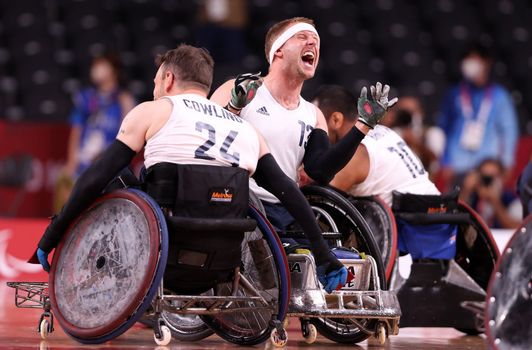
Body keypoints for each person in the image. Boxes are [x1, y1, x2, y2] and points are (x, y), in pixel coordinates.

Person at [31, 44, 348, 293]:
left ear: (168, 79)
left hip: (164, 246)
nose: (155, 87)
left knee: (110, 173)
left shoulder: (153, 110)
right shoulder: (247, 131)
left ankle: (103, 268)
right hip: (223, 253)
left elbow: (94, 178)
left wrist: (52, 234)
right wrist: (323, 253)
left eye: (157, 81)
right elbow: (290, 193)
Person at [210, 17, 397, 234]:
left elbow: (320, 171)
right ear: (278, 51)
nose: (313, 44)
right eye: (302, 37)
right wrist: (232, 108)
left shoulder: (313, 114)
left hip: (287, 210)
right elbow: (208, 142)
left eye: (316, 40)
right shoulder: (238, 89)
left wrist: (363, 126)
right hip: (239, 205)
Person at [312, 85, 440, 207]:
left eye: (316, 122)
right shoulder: (382, 130)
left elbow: (318, 200)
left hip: (414, 224)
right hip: (439, 213)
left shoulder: (356, 152)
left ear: (336, 120)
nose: (312, 129)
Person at [55, 53, 135, 211]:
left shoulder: (124, 100)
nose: (96, 70)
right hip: (83, 162)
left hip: (110, 163)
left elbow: (130, 132)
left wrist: (127, 106)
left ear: (114, 71)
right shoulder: (85, 97)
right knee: (67, 199)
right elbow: (76, 129)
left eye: (102, 65)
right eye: (95, 66)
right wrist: (72, 161)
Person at [438, 43, 518, 191]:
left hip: (488, 165)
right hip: (458, 165)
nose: (470, 63)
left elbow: (509, 131)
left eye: (474, 59)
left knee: (487, 209)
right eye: (467, 59)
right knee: (455, 209)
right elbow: (444, 129)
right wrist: (445, 161)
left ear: (487, 62)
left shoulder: (500, 96)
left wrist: (506, 163)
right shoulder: (454, 93)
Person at [384, 95, 445, 177]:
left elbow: (435, 161)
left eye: (411, 112)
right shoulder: (390, 133)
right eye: (404, 112)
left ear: (421, 113)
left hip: (422, 183)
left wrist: (415, 143)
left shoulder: (432, 133)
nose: (408, 116)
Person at [461, 158, 522, 229]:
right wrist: (466, 191)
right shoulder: (472, 198)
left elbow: (516, 228)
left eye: (492, 178)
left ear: (502, 178)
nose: (487, 183)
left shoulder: (512, 200)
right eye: (484, 178)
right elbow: (455, 220)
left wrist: (495, 202)